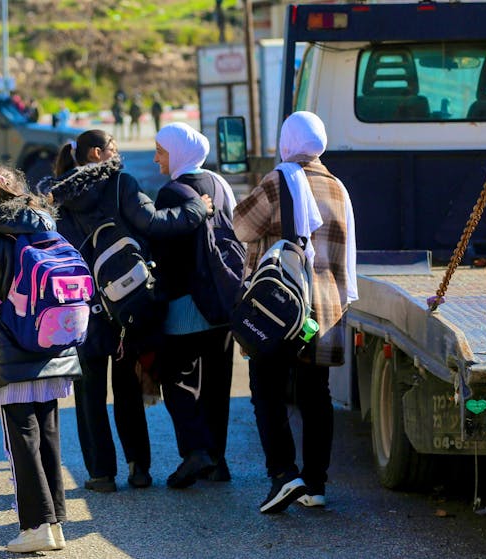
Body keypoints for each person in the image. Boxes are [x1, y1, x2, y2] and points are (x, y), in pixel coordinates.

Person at [36, 129, 213, 493]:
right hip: (126, 305)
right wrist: (198, 208)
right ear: (98, 153)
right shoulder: (120, 184)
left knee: (90, 396)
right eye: (114, 149)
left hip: (82, 309)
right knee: (127, 388)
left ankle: (101, 474)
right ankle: (138, 469)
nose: (119, 156)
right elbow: (155, 224)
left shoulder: (58, 198)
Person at [0, 165, 81, 553]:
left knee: (20, 440)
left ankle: (36, 526)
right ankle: (53, 522)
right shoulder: (45, 225)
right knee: (49, 436)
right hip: (52, 343)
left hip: (8, 354)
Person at [233, 111, 358, 513]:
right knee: (314, 394)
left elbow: (240, 226)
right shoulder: (338, 187)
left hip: (282, 312)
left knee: (266, 390)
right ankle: (316, 484)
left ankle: (284, 474)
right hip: (322, 313)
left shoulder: (279, 180)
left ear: (287, 141)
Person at [150, 123, 238, 488]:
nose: (156, 158)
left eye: (160, 151)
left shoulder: (171, 193)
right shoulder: (219, 184)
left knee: (174, 378)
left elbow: (164, 248)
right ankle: (217, 461)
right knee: (218, 384)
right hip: (221, 300)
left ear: (177, 152)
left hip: (185, 304)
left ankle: (195, 451)